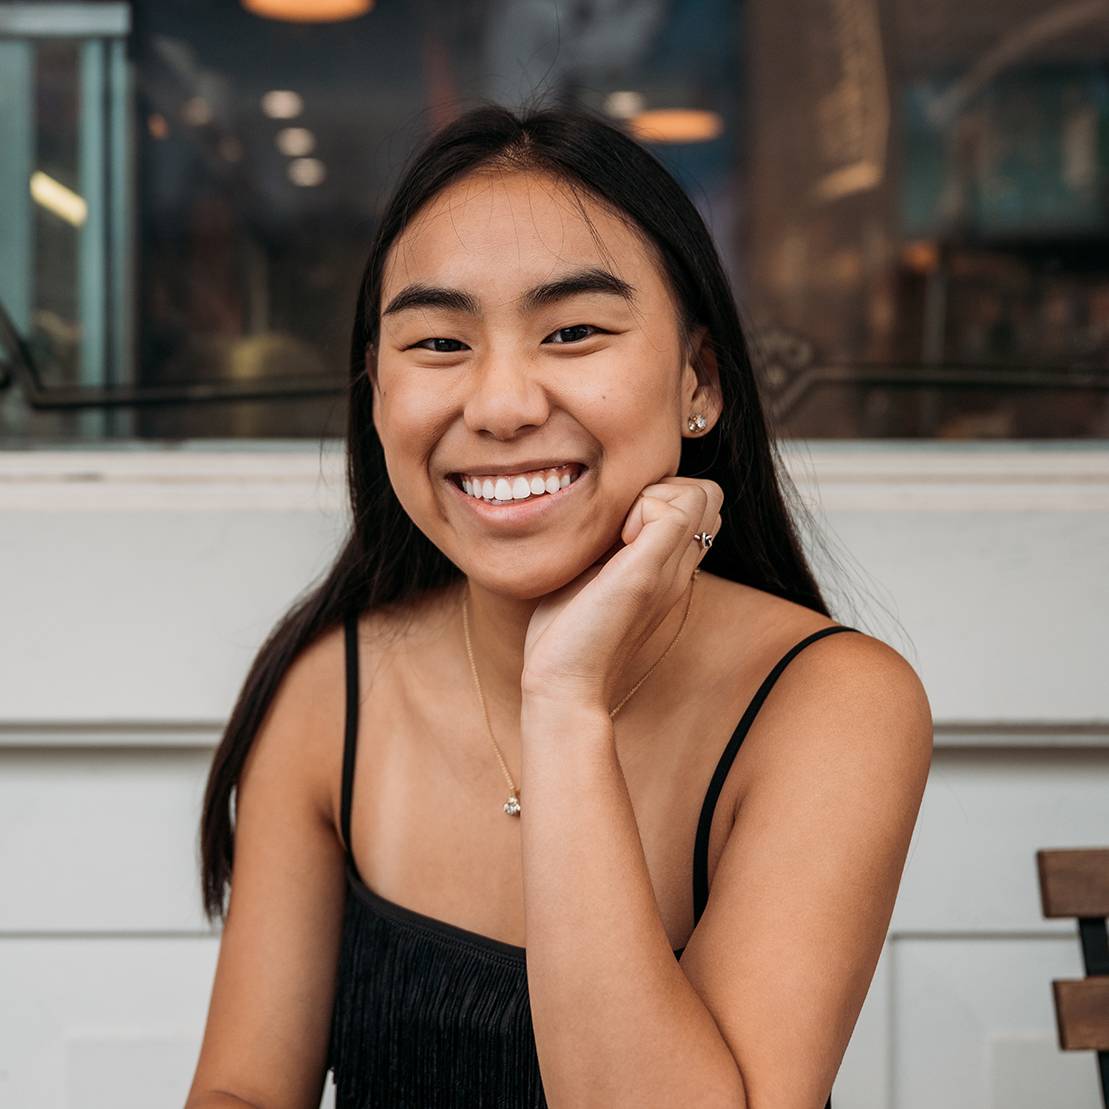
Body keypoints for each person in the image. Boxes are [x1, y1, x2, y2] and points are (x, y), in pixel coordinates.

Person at [184, 101, 933, 1109]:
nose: (499, 405)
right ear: (373, 392)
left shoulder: (831, 705)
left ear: (695, 381)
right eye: (439, 343)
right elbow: (239, 1091)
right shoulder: (330, 689)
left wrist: (566, 701)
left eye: (573, 330)